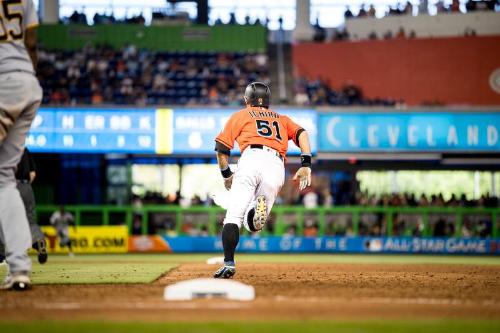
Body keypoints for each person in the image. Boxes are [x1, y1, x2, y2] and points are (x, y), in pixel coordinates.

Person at [213, 82, 312, 278]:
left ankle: (229, 264)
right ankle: (256, 210)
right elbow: (302, 133)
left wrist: (226, 175)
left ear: (246, 100)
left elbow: (221, 150)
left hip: (251, 158)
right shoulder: (281, 118)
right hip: (276, 165)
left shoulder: (241, 115)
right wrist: (306, 164)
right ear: (267, 102)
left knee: (233, 217)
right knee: (256, 226)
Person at [0, 0, 43, 291]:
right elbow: (31, 43)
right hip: (27, 83)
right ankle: (18, 269)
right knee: (3, 179)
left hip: (2, 80)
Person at [0, 148, 47, 265]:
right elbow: (32, 174)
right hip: (26, 186)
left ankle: (1, 255)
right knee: (30, 221)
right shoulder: (24, 149)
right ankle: (38, 241)